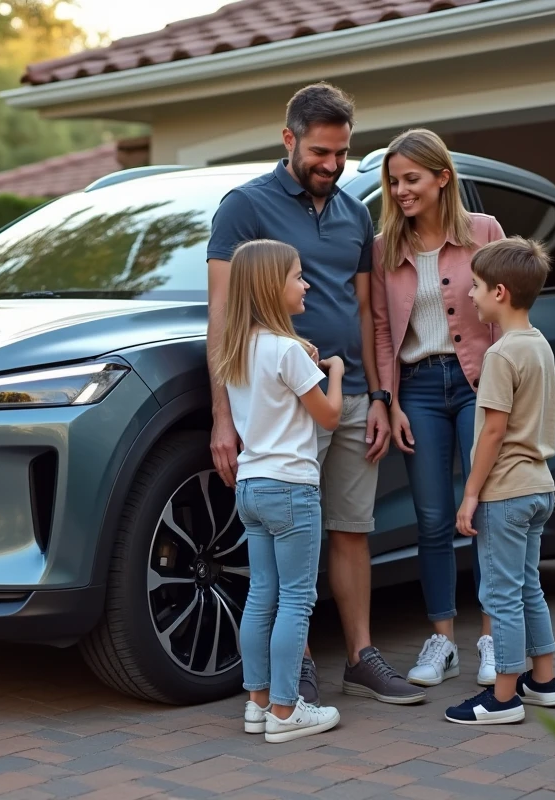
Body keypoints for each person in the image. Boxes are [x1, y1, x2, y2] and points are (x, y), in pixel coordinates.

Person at [208, 82, 424, 706]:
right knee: (288, 549)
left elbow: (366, 312)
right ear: (289, 140)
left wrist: (381, 395)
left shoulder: (356, 213)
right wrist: (224, 418)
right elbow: (221, 314)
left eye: (342, 154)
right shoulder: (243, 207)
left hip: (351, 393)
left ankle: (360, 656)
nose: (332, 165)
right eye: (321, 152)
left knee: (351, 528)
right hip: (288, 399)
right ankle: (295, 670)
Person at [371, 128, 505, 689]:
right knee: (430, 519)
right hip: (420, 390)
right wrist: (390, 398)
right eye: (394, 181)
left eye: (412, 179)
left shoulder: (484, 232)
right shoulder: (384, 249)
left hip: (478, 385)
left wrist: (506, 394)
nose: (401, 190)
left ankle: (496, 639)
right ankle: (443, 641)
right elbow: (381, 330)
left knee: (489, 514)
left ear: (441, 177)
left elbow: (508, 314)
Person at [216, 238, 343, 742]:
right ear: (273, 286)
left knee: (261, 596)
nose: (305, 283)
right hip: (291, 489)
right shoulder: (288, 350)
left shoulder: (238, 348)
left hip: (251, 487)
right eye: (297, 276)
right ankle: (288, 713)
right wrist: (332, 370)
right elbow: (329, 415)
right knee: (296, 600)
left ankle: (258, 702)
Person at [445, 236, 555, 725]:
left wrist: (470, 495)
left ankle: (503, 697)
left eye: (474, 287)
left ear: (499, 292)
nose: (468, 296)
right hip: (539, 486)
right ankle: (545, 680)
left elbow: (493, 431)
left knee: (500, 594)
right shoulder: (539, 345)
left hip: (506, 493)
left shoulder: (500, 355)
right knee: (529, 587)